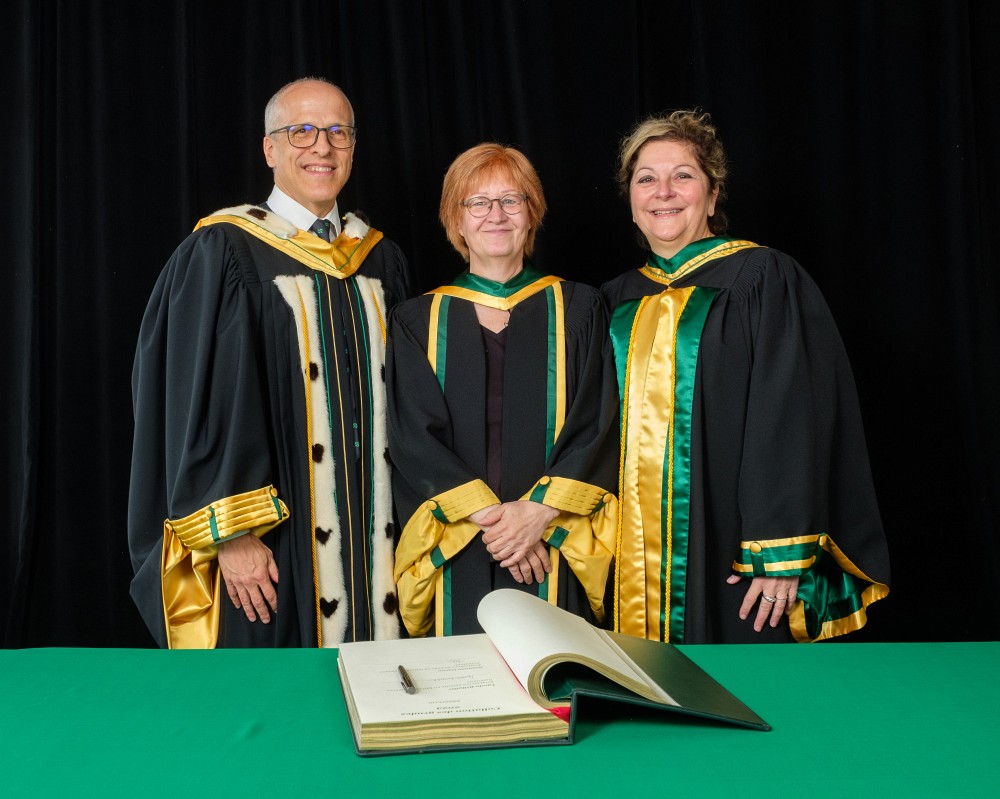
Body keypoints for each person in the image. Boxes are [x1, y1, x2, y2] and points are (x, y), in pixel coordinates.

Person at [128, 77, 412, 648]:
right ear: (270, 149)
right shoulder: (224, 251)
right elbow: (195, 402)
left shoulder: (382, 259)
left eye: (338, 132)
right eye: (301, 131)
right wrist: (231, 533)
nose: (322, 147)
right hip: (274, 541)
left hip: (378, 540)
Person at [602, 110, 890, 644]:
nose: (663, 192)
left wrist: (777, 551)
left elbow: (791, 415)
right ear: (631, 201)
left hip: (736, 549)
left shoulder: (762, 277)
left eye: (683, 175)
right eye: (646, 179)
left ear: (713, 196)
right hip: (630, 557)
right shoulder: (612, 300)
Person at [388, 143, 619, 637]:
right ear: (456, 220)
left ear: (531, 214)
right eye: (478, 202)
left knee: (553, 665)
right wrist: (499, 525)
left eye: (511, 200)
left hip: (553, 538)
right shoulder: (417, 320)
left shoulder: (579, 308)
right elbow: (413, 437)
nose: (496, 215)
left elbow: (596, 422)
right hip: (460, 539)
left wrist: (536, 514)